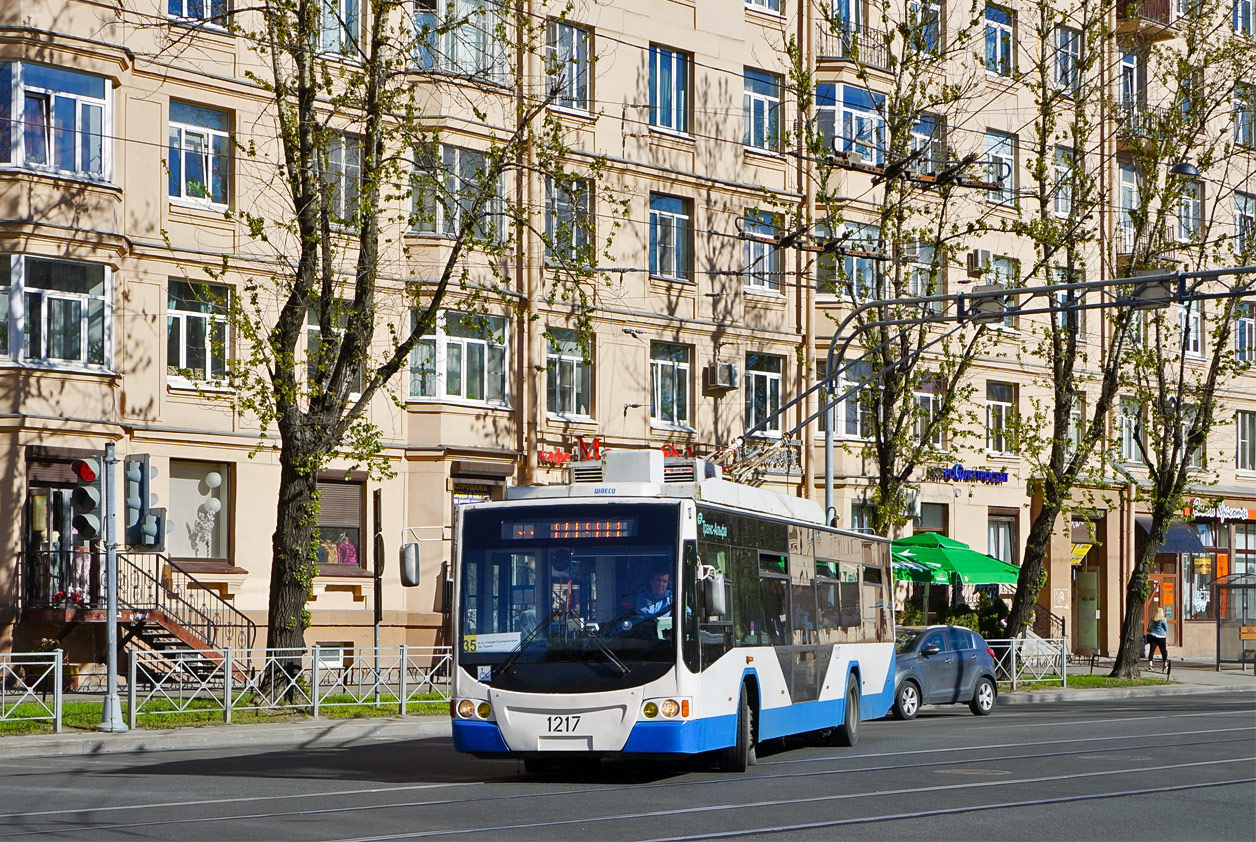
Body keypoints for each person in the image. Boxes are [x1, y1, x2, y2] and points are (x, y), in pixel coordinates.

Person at [1146, 606, 1169, 672]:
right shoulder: (1163, 620)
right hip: (1161, 637)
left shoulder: (1152, 619)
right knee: (1163, 651)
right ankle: (1165, 664)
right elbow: (1166, 629)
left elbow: (1149, 628)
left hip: (1153, 636)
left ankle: (1150, 664)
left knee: (1152, 651)